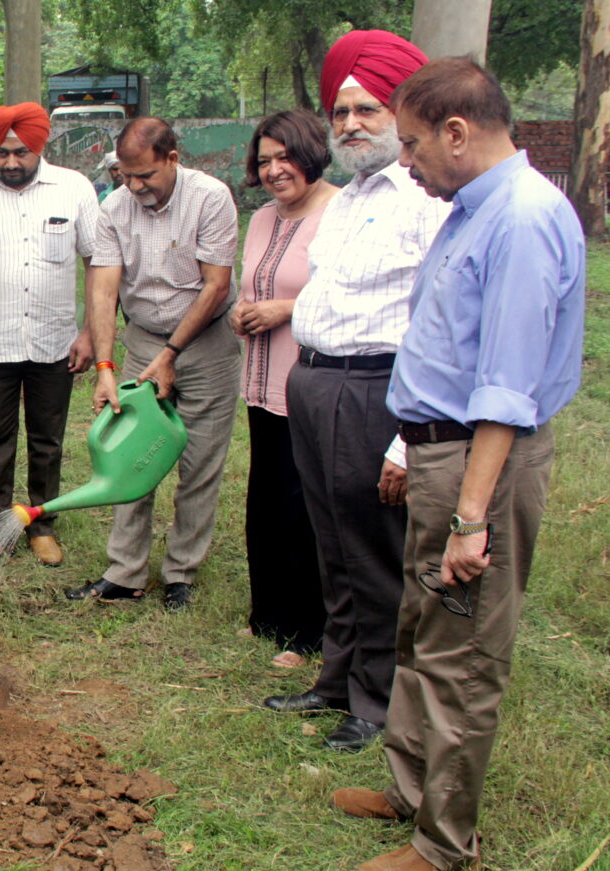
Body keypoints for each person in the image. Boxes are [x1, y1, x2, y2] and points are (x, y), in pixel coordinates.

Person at [332, 58, 585, 871]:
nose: (404, 161)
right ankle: (409, 788)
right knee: (423, 627)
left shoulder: (518, 220)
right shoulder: (470, 208)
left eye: (410, 143)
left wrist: (473, 516)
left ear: (456, 131)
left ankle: (443, 843)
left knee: (463, 650)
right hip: (441, 452)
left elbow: (506, 389)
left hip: (483, 463)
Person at [260, 30, 448, 754]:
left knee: (373, 550)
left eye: (367, 109)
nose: (350, 125)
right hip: (315, 382)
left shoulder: (424, 200)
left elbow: (435, 322)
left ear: (403, 112)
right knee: (329, 543)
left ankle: (379, 698)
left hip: (375, 389)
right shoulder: (346, 198)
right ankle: (336, 678)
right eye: (341, 113)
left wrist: (406, 435)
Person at [65, 117, 240, 612]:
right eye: (126, 175)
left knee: (199, 462)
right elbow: (103, 287)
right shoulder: (115, 207)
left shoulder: (210, 198)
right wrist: (105, 366)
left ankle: (181, 573)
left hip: (206, 344)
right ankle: (125, 573)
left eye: (146, 175)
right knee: (128, 453)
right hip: (143, 340)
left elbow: (216, 285)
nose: (135, 186)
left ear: (172, 160)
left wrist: (173, 355)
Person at [0, 103, 97, 569]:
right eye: (1, 154)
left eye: (21, 153)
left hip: (56, 341)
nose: (11, 162)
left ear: (39, 147)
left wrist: (90, 332)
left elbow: (97, 263)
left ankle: (41, 526)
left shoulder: (74, 189)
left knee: (48, 440)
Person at [230, 109, 340, 668]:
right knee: (266, 499)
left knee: (304, 507)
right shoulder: (262, 220)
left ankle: (306, 633)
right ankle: (266, 614)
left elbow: (349, 296)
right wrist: (244, 312)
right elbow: (253, 286)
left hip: (314, 383)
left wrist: (285, 309)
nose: (274, 170)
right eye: (264, 160)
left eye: (285, 157)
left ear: (311, 153)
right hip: (261, 382)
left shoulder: (341, 212)